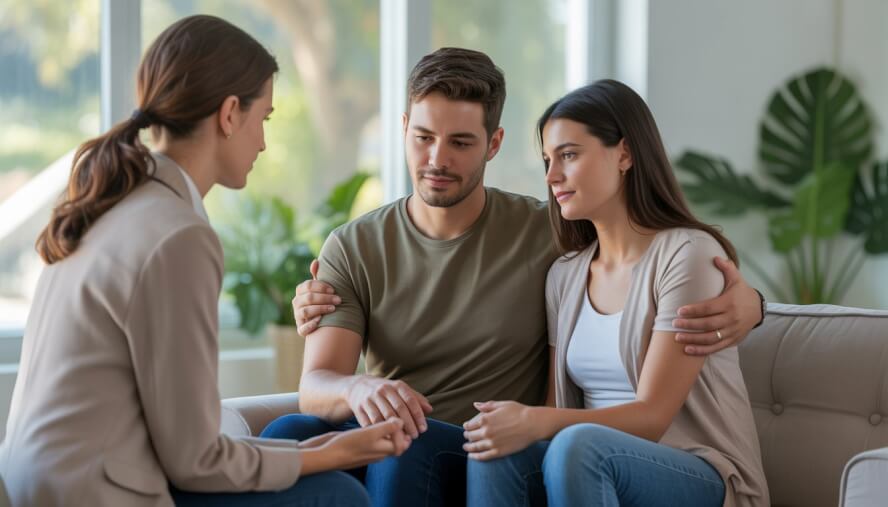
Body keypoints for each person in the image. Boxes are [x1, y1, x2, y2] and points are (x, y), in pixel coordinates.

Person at [267, 48, 766, 506]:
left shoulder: (546, 236)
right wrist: (357, 389)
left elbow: (666, 257)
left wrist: (755, 305)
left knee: (411, 441)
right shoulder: (355, 246)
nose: (437, 159)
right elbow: (315, 385)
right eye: (423, 138)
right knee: (290, 429)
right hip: (412, 436)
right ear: (403, 129)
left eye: (461, 142)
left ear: (494, 143)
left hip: (464, 446)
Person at [0, 15, 409, 507]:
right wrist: (330, 454)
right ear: (230, 113)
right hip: (97, 491)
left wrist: (323, 446)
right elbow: (195, 460)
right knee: (336, 495)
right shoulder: (179, 236)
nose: (262, 141)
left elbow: (178, 440)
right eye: (265, 119)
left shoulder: (114, 204)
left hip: (45, 479)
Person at [462, 80, 769, 507]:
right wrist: (518, 426)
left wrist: (532, 419)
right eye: (548, 160)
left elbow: (652, 416)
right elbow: (559, 404)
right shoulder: (565, 276)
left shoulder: (687, 255)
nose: (552, 176)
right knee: (492, 448)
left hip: (700, 472)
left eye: (569, 155)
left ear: (624, 153)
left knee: (578, 445)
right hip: (588, 466)